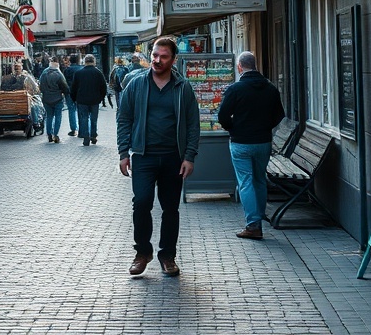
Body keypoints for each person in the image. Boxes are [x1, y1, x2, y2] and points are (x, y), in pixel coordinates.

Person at [116, 36, 200, 277]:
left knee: (170, 208)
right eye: (154, 55)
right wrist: (124, 152)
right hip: (143, 156)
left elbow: (193, 124)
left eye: (163, 57)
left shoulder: (183, 88)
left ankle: (167, 256)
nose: (157, 60)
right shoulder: (136, 84)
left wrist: (189, 156)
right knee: (141, 203)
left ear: (173, 60)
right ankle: (143, 252)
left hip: (173, 157)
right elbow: (124, 119)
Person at [217, 51, 286, 240]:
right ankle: (260, 215)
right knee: (259, 179)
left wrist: (233, 128)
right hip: (263, 141)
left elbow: (222, 115)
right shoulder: (270, 88)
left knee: (245, 182)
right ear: (255, 65)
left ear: (240, 67)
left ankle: (253, 225)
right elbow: (279, 114)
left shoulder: (236, 89)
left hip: (241, 142)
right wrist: (265, 127)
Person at [70, 54, 108, 145]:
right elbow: (103, 87)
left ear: (84, 62)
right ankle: (93, 135)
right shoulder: (98, 73)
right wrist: (100, 98)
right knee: (94, 119)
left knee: (84, 119)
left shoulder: (78, 73)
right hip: (94, 100)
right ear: (94, 61)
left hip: (82, 100)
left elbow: (73, 88)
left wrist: (74, 99)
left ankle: (86, 138)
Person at [38, 58, 69, 143]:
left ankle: (49, 134)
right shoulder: (59, 74)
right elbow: (65, 88)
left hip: (46, 99)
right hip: (58, 99)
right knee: (58, 116)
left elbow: (40, 86)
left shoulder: (44, 73)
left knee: (49, 116)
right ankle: (55, 134)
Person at [62, 54, 81, 137]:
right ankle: (82, 128)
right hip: (79, 92)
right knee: (81, 110)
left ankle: (73, 129)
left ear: (70, 61)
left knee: (71, 110)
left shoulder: (67, 70)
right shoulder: (81, 69)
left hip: (69, 92)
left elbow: (64, 82)